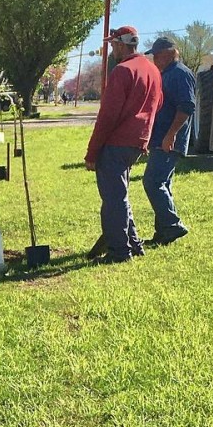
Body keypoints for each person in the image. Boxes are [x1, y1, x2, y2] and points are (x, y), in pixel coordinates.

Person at [84, 26, 162, 263]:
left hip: (116, 142)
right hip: (138, 143)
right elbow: (158, 105)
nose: (111, 49)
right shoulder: (153, 70)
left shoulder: (122, 71)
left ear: (120, 44)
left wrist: (92, 152)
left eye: (112, 44)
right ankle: (134, 244)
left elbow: (107, 116)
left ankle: (119, 251)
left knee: (113, 199)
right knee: (121, 194)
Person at [142, 36, 196, 247]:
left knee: (152, 182)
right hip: (161, 138)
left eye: (157, 55)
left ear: (169, 53)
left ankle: (172, 225)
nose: (154, 59)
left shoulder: (180, 74)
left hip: (169, 140)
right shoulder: (167, 74)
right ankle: (163, 232)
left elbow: (186, 107)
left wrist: (170, 134)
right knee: (162, 184)